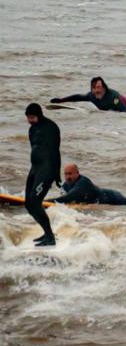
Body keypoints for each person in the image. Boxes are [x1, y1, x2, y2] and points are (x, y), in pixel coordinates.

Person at [23, 103, 61, 246]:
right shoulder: (32, 130)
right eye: (28, 118)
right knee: (28, 204)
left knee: (35, 202)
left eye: (32, 117)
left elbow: (55, 152)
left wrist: (56, 175)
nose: (30, 120)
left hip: (47, 169)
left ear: (39, 115)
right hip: (35, 168)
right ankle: (46, 233)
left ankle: (50, 237)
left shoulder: (51, 128)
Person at [50, 77, 126, 112]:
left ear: (103, 87)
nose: (96, 90)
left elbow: (124, 111)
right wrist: (61, 100)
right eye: (93, 88)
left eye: (98, 87)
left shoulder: (113, 96)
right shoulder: (91, 96)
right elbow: (77, 97)